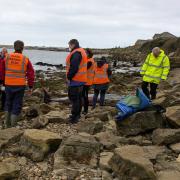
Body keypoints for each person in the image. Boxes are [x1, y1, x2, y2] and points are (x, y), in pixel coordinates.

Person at [0, 40, 35, 128]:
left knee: (8, 103)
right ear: (22, 48)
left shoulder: (6, 57)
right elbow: (31, 73)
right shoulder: (25, 59)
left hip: (8, 84)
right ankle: (12, 126)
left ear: (14, 47)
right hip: (20, 85)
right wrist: (30, 86)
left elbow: (2, 71)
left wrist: (1, 83)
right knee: (17, 104)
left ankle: (7, 125)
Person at [66, 39, 87, 123]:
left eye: (69, 45)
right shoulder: (81, 51)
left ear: (73, 44)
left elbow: (74, 67)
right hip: (81, 80)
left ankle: (74, 117)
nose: (69, 47)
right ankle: (77, 115)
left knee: (74, 99)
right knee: (78, 98)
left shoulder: (76, 53)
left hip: (76, 80)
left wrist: (69, 77)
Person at [82, 48, 95, 115]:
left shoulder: (90, 61)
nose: (84, 54)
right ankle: (84, 109)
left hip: (86, 81)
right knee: (84, 95)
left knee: (85, 96)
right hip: (86, 81)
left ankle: (85, 110)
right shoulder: (89, 60)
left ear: (88, 54)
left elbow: (84, 69)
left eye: (85, 53)